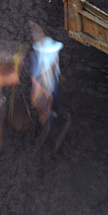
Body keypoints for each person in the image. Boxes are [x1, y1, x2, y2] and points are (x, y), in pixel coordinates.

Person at [28, 22, 71, 153]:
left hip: (46, 82)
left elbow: (35, 78)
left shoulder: (35, 56)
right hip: (50, 80)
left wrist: (38, 92)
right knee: (55, 97)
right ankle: (59, 113)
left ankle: (51, 127)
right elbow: (54, 63)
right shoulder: (49, 44)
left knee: (46, 106)